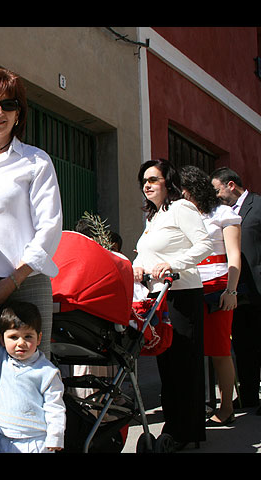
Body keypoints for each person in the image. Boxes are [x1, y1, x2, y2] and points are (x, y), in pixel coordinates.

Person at [0, 67, 63, 452]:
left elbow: (49, 229)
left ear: (20, 113)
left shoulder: (35, 163)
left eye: (8, 105)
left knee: (25, 381)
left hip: (25, 282)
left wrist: (11, 282)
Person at [132, 159, 212, 450]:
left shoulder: (182, 208)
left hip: (182, 295)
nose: (147, 185)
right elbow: (145, 253)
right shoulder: (154, 217)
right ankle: (173, 426)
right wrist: (138, 267)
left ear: (168, 181)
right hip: (159, 297)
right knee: (168, 366)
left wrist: (173, 265)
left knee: (184, 365)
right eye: (144, 181)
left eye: (153, 179)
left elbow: (204, 244)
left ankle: (186, 432)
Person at [180, 165, 241, 426]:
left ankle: (227, 407)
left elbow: (234, 254)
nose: (181, 195)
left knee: (219, 350)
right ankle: (194, 407)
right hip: (189, 286)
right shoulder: (183, 214)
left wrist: (231, 290)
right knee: (188, 349)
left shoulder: (223, 213)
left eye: (184, 190)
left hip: (218, 287)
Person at [210, 167, 261, 414]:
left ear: (231, 185)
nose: (215, 195)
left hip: (258, 288)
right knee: (243, 345)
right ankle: (249, 396)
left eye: (217, 189)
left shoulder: (258, 205)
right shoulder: (220, 215)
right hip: (236, 292)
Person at [0, 301, 66, 453]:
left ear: (39, 338)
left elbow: (55, 407)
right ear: (1, 340)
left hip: (36, 442)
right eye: (13, 337)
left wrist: (55, 436)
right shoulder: (1, 358)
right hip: (3, 438)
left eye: (28, 336)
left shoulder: (47, 372)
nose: (21, 343)